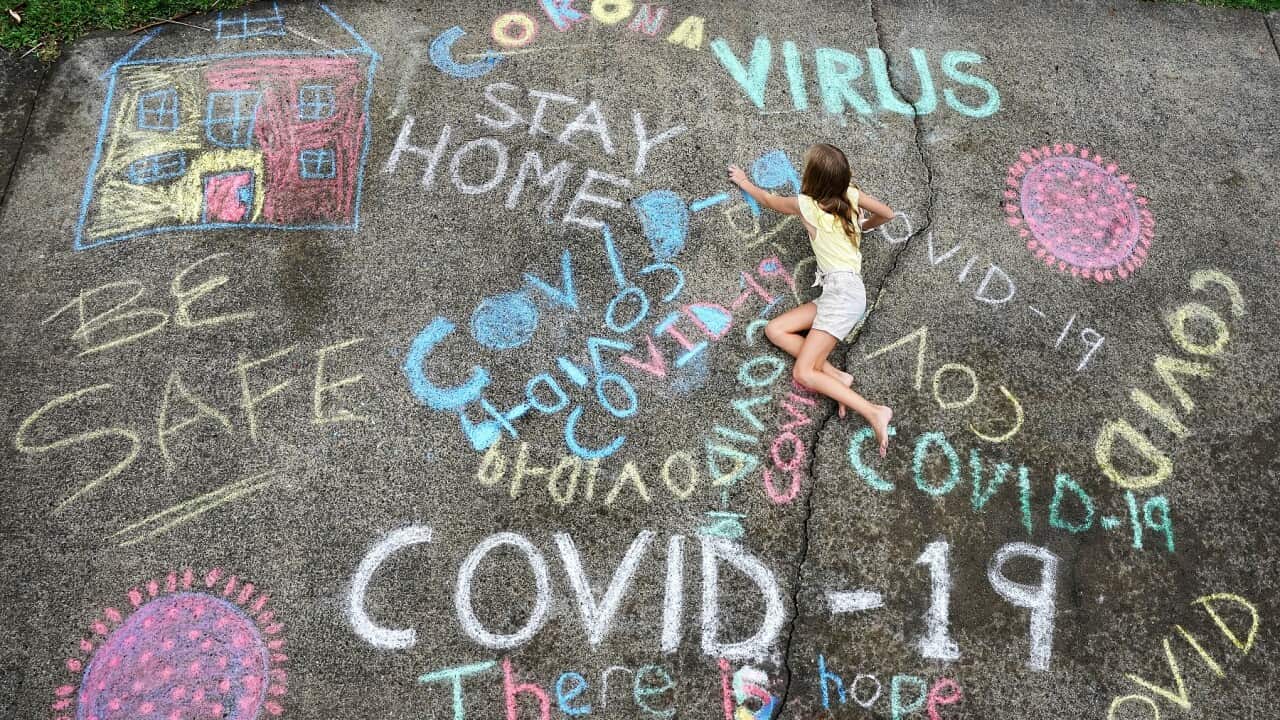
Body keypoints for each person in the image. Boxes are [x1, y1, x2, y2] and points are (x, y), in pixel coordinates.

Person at [728, 144, 895, 456]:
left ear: (812, 180)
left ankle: (873, 411)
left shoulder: (807, 206)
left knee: (804, 372)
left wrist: (744, 181)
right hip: (839, 292)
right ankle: (837, 377)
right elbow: (887, 213)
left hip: (843, 297)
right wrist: (861, 227)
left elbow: (767, 200)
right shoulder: (852, 195)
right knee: (775, 330)